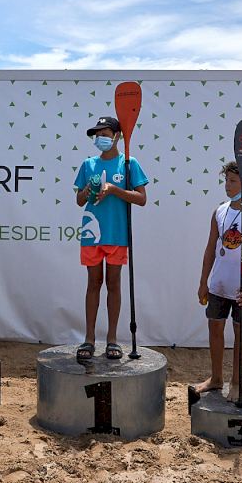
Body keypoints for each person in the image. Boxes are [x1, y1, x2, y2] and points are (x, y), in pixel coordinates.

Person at [192, 161, 242, 402]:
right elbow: (210, 249)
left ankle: (237, 382)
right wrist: (203, 281)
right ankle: (216, 378)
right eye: (226, 180)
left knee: (241, 334)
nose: (227, 185)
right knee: (215, 329)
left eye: (233, 181)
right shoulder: (219, 211)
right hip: (218, 285)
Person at [73, 115, 148, 362]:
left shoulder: (129, 163)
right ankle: (89, 338)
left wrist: (114, 190)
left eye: (105, 134)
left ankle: (112, 339)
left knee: (113, 284)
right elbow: (79, 200)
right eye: (97, 135)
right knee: (93, 283)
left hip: (117, 233)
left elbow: (141, 198)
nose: (100, 139)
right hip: (91, 233)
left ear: (117, 136)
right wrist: (88, 190)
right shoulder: (88, 164)